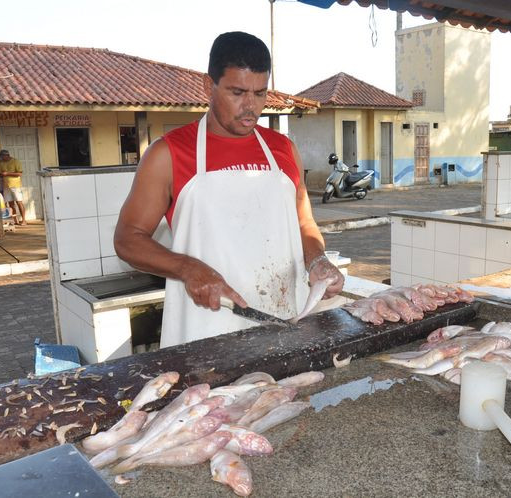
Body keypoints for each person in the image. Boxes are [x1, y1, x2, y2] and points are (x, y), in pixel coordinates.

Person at [114, 31, 344, 347]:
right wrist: (187, 267)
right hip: (206, 330)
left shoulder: (283, 150)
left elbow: (304, 225)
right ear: (210, 86)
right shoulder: (169, 154)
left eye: (261, 93)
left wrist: (317, 259)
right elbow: (128, 239)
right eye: (237, 92)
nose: (250, 107)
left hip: (284, 324)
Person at [0, 149, 27, 225]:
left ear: (7, 155)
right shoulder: (1, 163)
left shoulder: (15, 161)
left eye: (2, 157)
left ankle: (24, 220)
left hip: (15, 185)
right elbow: (0, 174)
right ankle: (15, 220)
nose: (1, 159)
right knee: (10, 204)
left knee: (19, 202)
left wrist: (7, 173)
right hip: (6, 186)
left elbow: (19, 174)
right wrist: (2, 174)